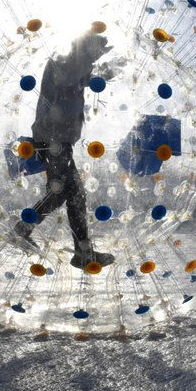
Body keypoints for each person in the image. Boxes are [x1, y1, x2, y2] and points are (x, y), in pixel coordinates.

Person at [14, 30, 120, 271]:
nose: (94, 56)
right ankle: (23, 229)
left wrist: (113, 67)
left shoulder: (75, 65)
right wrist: (89, 56)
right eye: (93, 50)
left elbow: (88, 79)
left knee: (72, 193)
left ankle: (82, 252)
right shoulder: (61, 61)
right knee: (68, 191)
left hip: (59, 140)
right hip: (51, 138)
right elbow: (70, 76)